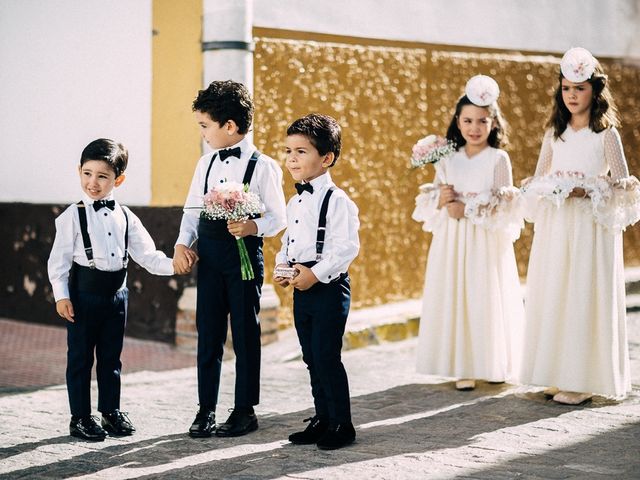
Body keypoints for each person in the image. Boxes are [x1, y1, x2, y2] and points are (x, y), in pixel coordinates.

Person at [519, 48, 640, 404]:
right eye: (567, 88)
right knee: (555, 290)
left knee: (582, 294)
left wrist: (586, 189)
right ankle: (556, 371)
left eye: (580, 88)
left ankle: (582, 378)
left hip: (589, 227)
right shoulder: (554, 134)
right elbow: (540, 178)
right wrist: (547, 188)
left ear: (595, 91)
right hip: (558, 226)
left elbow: (624, 184)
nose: (572, 95)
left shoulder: (606, 135)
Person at [48, 138, 181, 441]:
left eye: (102, 176)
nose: (92, 182)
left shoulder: (125, 216)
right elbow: (58, 262)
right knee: (81, 358)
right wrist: (62, 296)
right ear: (79, 171)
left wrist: (175, 265)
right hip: (84, 296)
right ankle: (80, 416)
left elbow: (147, 255)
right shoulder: (71, 216)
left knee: (111, 358)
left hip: (117, 297)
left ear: (118, 179)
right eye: (87, 173)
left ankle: (110, 411)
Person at [174, 80, 287, 437]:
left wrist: (252, 226)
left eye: (205, 126)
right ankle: (205, 408)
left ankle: (244, 410)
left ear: (230, 126)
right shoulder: (204, 163)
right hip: (208, 256)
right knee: (208, 333)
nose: (203, 133)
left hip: (242, 257)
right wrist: (181, 243)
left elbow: (278, 217)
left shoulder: (264, 166)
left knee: (244, 332)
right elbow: (192, 210)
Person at [412, 75, 525, 391]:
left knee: (484, 294)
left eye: (481, 120)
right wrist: (442, 199)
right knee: (458, 294)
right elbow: (434, 196)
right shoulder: (447, 157)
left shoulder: (498, 158)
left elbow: (504, 202)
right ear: (458, 123)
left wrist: (469, 209)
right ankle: (463, 365)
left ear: (493, 122)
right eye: (467, 120)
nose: (474, 127)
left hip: (484, 240)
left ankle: (492, 362)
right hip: (453, 239)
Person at [274, 113, 360, 450]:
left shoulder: (338, 202)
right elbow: (288, 242)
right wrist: (284, 267)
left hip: (328, 286)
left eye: (301, 152)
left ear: (326, 158)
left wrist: (315, 274)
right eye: (288, 151)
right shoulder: (295, 200)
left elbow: (346, 248)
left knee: (327, 355)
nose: (291, 158)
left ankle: (342, 423)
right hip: (301, 286)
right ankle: (322, 417)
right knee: (310, 356)